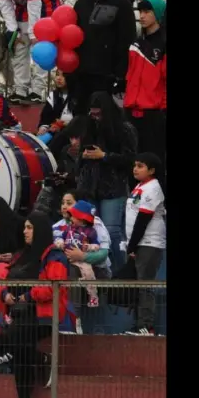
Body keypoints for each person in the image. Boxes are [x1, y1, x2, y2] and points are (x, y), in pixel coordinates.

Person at [0, 211, 69, 398]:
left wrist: (27, 296)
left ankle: (40, 362)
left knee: (13, 339)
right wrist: (5, 295)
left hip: (42, 315)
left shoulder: (53, 255)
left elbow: (52, 287)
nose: (25, 232)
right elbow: (6, 279)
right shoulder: (22, 255)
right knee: (20, 352)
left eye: (29, 228)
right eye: (25, 228)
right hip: (21, 314)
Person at [66, 91, 137, 272]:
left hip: (113, 188)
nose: (95, 117)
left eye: (98, 114)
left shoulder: (124, 128)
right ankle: (100, 275)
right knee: (91, 233)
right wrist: (82, 156)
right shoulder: (89, 128)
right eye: (92, 113)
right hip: (89, 188)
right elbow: (79, 160)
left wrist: (104, 156)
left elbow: (130, 159)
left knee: (112, 232)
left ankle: (121, 276)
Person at [72, 0, 136, 114]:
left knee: (104, 118)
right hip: (82, 74)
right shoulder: (81, 4)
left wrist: (120, 75)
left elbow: (127, 40)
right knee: (80, 117)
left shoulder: (122, 4)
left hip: (107, 76)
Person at [124, 0, 166, 181]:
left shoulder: (163, 43)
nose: (142, 16)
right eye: (140, 12)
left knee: (154, 164)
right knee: (133, 162)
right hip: (132, 110)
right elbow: (131, 75)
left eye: (147, 12)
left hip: (155, 112)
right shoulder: (136, 43)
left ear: (157, 14)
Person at [124, 153, 165, 336]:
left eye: (140, 166)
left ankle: (146, 327)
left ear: (152, 170)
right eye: (135, 165)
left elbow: (143, 219)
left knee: (145, 285)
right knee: (140, 285)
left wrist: (132, 245)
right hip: (140, 242)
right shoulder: (140, 186)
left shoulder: (153, 188)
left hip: (149, 242)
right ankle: (139, 324)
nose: (135, 168)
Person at [55, 201, 102, 308]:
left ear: (81, 218)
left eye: (74, 216)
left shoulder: (91, 231)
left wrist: (90, 247)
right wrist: (60, 243)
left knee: (89, 273)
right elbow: (59, 238)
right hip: (65, 257)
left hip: (81, 260)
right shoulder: (68, 228)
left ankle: (93, 296)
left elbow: (97, 245)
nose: (71, 218)